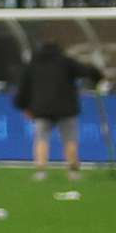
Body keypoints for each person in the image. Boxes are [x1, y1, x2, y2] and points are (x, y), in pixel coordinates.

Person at [14, 31, 100, 179]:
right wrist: (98, 76)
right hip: (66, 108)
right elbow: (86, 71)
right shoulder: (65, 61)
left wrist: (24, 106)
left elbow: (24, 88)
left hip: (41, 108)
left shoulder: (33, 64)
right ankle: (73, 171)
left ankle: (41, 170)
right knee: (70, 139)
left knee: (41, 138)